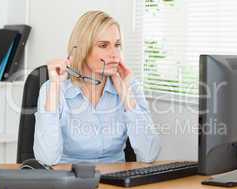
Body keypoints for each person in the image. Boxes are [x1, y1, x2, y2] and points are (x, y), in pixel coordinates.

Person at [33, 10, 161, 165]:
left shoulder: (130, 86)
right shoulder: (53, 89)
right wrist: (54, 87)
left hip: (117, 181)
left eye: (117, 45)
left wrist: (125, 92)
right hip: (69, 179)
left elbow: (150, 154)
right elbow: (47, 158)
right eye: (103, 45)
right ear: (82, 49)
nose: (115, 54)